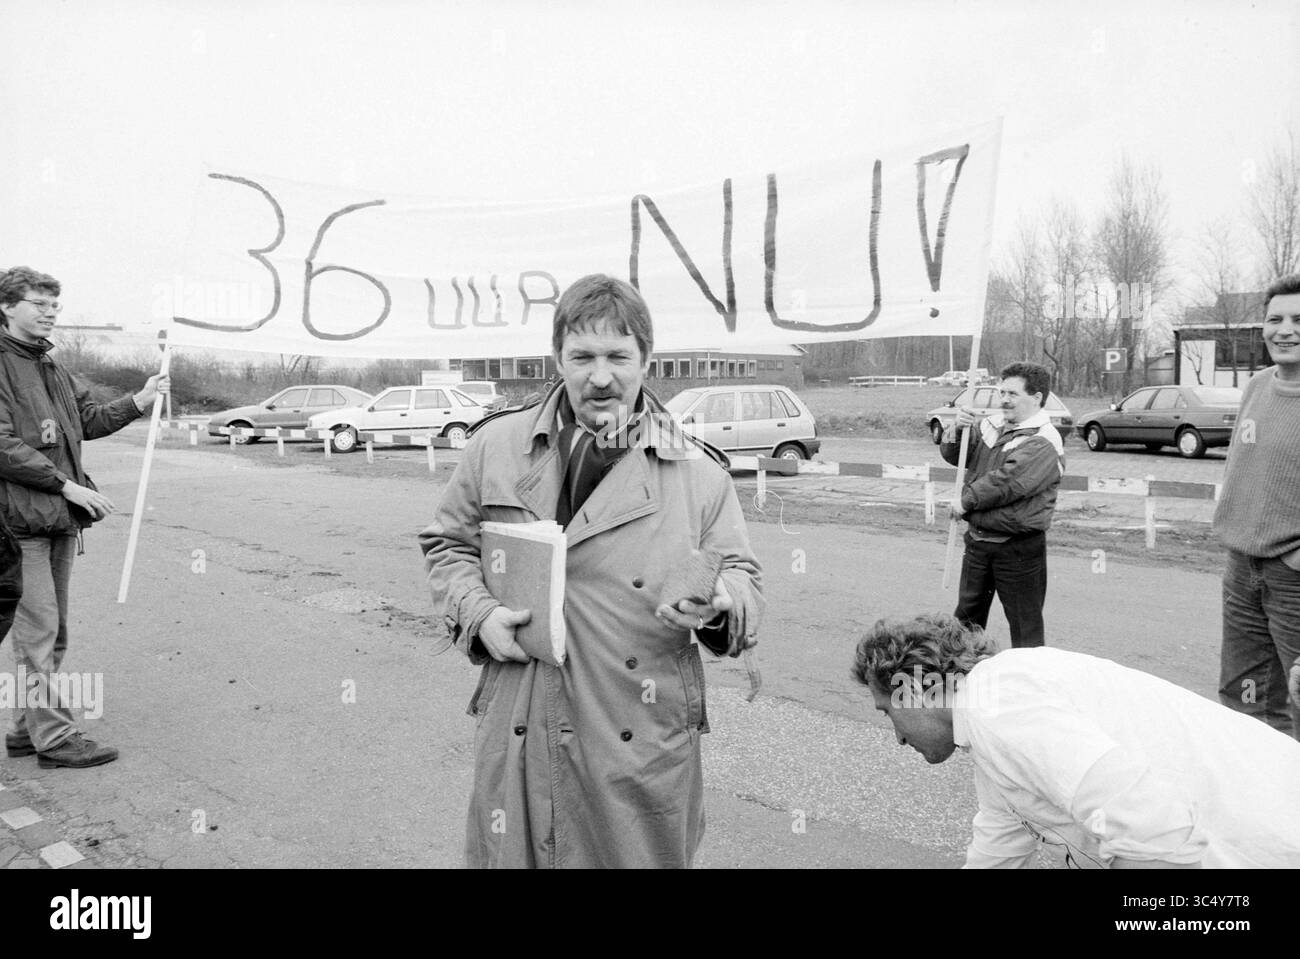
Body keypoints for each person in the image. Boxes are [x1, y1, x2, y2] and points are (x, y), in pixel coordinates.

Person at [419, 273, 763, 868]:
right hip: (523, 714)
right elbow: (447, 546)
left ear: (646, 360)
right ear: (557, 357)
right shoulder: (494, 448)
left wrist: (722, 602)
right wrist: (479, 615)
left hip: (637, 728)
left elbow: (742, 578)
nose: (599, 376)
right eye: (581, 356)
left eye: (617, 356)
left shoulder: (699, 473)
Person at [852, 613, 1300, 868]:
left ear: (914, 688)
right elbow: (997, 852)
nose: (897, 737)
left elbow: (1155, 837)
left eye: (888, 712)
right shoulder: (993, 724)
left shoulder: (999, 709)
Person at [0, 266, 168, 768]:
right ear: (7, 306)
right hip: (14, 524)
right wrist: (66, 484)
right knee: (38, 632)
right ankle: (54, 740)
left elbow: (88, 421)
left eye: (55, 305)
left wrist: (139, 399)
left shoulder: (51, 366)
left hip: (55, 521)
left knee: (53, 633)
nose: (51, 312)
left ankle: (24, 729)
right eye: (39, 304)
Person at [1214, 273, 1300, 739]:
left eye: (1298, 319)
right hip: (1243, 568)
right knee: (1242, 695)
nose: (1284, 330)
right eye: (1275, 319)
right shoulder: (1258, 386)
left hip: (1294, 579)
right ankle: (1255, 801)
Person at [939, 362, 1064, 648]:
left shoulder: (1045, 439)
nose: (1004, 399)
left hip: (1018, 548)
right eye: (1002, 391)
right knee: (966, 622)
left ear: (1037, 398)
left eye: (1013, 394)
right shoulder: (990, 425)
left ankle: (1028, 686)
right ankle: (960, 678)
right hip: (979, 542)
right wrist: (958, 429)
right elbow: (957, 457)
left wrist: (965, 501)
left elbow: (1009, 482)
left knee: (1025, 625)